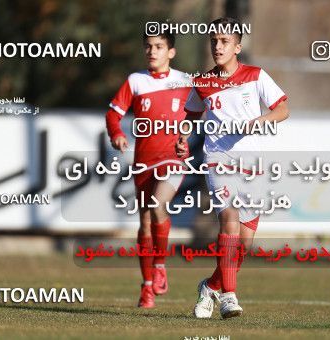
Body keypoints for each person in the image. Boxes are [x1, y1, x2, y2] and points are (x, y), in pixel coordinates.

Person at [176, 17, 289, 319]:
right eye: (214, 40)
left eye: (224, 41)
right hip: (218, 159)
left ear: (237, 46)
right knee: (229, 219)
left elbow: (282, 109)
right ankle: (228, 296)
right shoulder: (201, 83)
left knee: (245, 244)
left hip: (252, 164)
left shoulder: (255, 76)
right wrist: (182, 140)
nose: (217, 46)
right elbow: (190, 118)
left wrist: (260, 121)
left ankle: (209, 287)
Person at [106, 31, 191, 308]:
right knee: (144, 225)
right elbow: (113, 114)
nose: (152, 52)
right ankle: (146, 288)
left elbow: (200, 115)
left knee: (158, 205)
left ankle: (161, 265)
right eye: (148, 47)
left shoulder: (185, 81)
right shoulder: (136, 81)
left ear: (171, 52)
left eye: (158, 47)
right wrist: (117, 133)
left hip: (172, 159)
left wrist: (185, 138)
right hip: (144, 162)